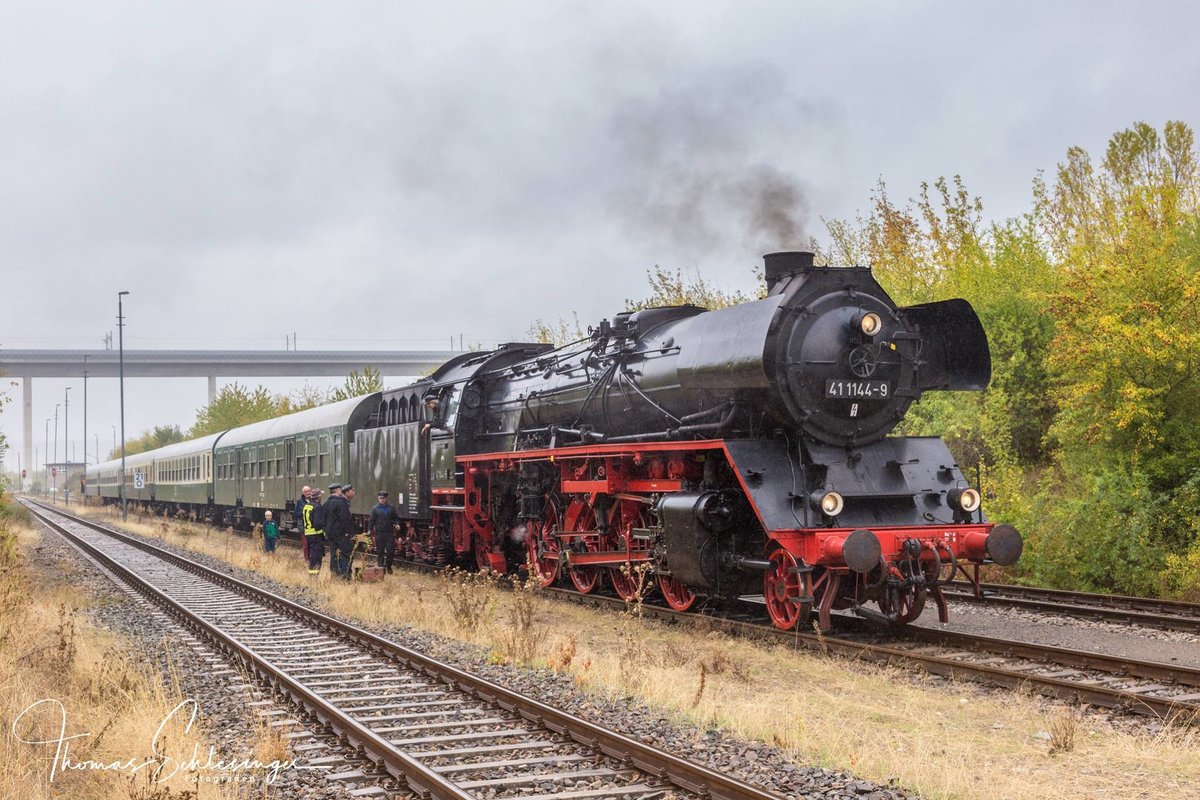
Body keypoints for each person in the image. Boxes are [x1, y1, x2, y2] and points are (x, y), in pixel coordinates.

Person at [323, 483, 353, 580]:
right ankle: (344, 575)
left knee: (333, 554)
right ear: (338, 491)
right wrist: (348, 531)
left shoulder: (326, 504)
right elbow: (345, 519)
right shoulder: (341, 503)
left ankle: (334, 573)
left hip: (330, 534)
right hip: (340, 534)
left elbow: (323, 519)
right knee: (345, 553)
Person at [370, 490, 401, 573]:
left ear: (386, 498)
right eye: (380, 498)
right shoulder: (375, 509)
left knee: (391, 551)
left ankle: (388, 566)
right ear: (378, 499)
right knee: (380, 552)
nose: (382, 500)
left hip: (389, 533)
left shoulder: (391, 508)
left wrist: (397, 524)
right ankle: (381, 568)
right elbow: (371, 521)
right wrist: (369, 530)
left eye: (383, 498)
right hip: (379, 533)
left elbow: (396, 518)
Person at [300, 487, 325, 576]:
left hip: (308, 534)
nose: (322, 497)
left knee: (312, 556)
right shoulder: (317, 507)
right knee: (316, 558)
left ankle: (312, 575)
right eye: (321, 495)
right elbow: (318, 524)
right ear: (318, 497)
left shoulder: (307, 506)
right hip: (316, 535)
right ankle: (314, 577)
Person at [296, 485, 313, 561]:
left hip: (312, 526)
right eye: (306, 492)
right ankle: (306, 559)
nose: (308, 493)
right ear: (303, 493)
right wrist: (305, 512)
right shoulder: (299, 502)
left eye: (309, 491)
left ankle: (312, 558)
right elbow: (296, 514)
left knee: (312, 544)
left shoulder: (313, 501)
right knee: (305, 544)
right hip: (303, 525)